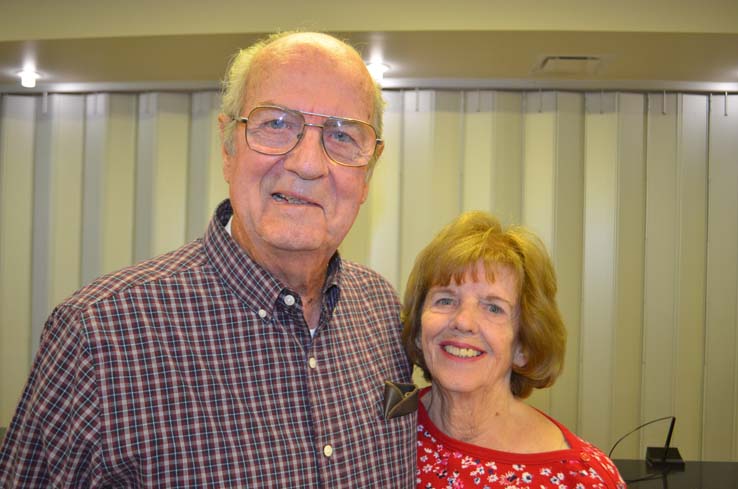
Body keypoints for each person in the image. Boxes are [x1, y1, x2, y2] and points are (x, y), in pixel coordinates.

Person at [0, 32, 415, 487]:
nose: (308, 163)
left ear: (368, 175)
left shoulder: (382, 310)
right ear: (227, 149)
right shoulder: (98, 336)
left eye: (342, 134)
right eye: (275, 123)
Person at [402, 211, 625, 489]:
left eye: (493, 307)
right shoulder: (382, 432)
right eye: (446, 300)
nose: (463, 322)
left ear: (523, 345)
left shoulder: (582, 478)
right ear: (420, 329)